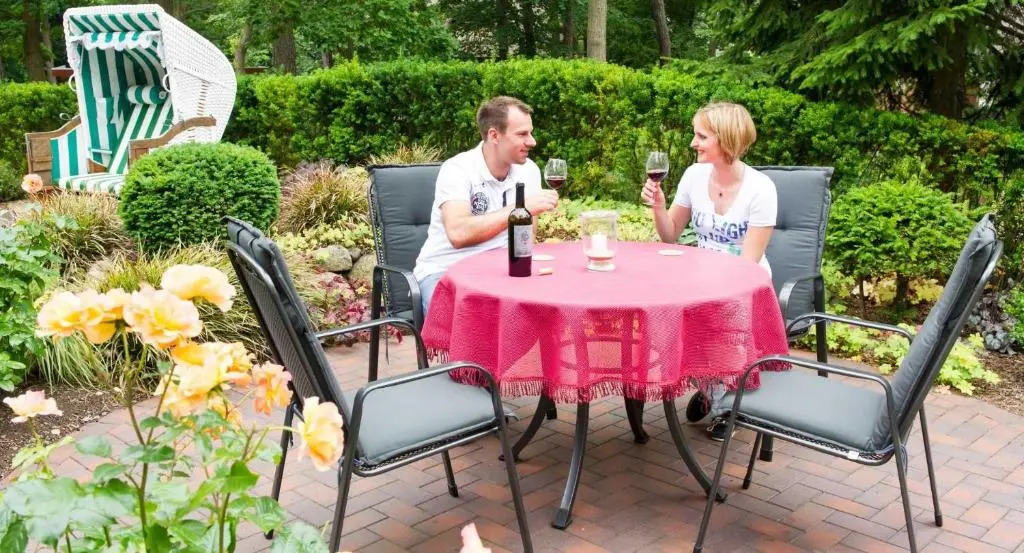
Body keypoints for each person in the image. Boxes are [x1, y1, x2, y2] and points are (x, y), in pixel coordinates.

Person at [640, 101, 778, 441]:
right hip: (700, 279)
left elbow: (747, 268)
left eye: (701, 136)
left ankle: (726, 406)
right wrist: (659, 208)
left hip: (744, 286)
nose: (693, 143)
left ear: (726, 140)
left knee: (713, 318)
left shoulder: (761, 189)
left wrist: (704, 289)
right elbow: (671, 234)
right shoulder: (694, 175)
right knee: (658, 309)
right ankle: (710, 385)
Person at [414, 96, 559, 315]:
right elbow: (458, 234)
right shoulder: (457, 170)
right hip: (445, 271)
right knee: (468, 323)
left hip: (500, 271)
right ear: (494, 135)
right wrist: (518, 209)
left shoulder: (528, 170)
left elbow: (525, 240)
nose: (532, 141)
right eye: (522, 134)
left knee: (548, 308)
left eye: (530, 133)